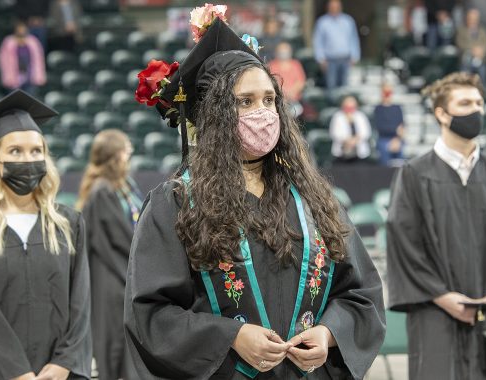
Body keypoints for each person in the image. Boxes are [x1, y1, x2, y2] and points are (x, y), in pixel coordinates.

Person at [124, 7, 385, 379]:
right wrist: (230, 335)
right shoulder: (176, 203)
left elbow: (362, 294)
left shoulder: (311, 198)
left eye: (268, 100)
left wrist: (329, 334)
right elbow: (150, 313)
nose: (262, 113)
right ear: (215, 116)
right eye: (245, 102)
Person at [386, 72, 486, 380]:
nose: (476, 110)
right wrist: (442, 296)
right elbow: (404, 244)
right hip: (435, 312)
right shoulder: (414, 174)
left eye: (479, 103)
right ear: (441, 113)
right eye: (465, 103)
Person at [0, 90, 91, 379]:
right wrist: (17, 371)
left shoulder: (68, 222)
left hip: (59, 374)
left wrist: (65, 362)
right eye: (15, 151)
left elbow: (81, 302)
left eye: (36, 150)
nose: (28, 159)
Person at [76, 129, 142, 380]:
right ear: (114, 157)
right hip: (111, 278)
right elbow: (116, 239)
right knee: (113, 343)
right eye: (126, 151)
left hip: (125, 272)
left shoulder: (124, 185)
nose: (129, 157)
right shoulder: (101, 191)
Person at [313, 0, 361, 91]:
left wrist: (355, 56)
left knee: (345, 87)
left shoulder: (348, 21)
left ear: (340, 7)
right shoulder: (322, 22)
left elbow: (354, 39)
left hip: (346, 59)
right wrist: (320, 59)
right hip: (330, 60)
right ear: (328, 7)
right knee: (331, 88)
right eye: (332, 6)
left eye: (336, 6)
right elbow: (318, 42)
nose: (334, 8)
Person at [0, 21, 46, 96]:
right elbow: (3, 61)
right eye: (19, 29)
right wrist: (7, 77)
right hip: (14, 76)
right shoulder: (9, 42)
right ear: (15, 30)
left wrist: (40, 76)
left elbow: (39, 59)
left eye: (23, 29)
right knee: (14, 100)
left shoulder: (33, 41)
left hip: (30, 75)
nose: (21, 31)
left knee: (30, 100)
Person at [268, 42, 306, 117]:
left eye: (286, 50)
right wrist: (284, 93)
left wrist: (292, 92)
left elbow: (301, 81)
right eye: (281, 51)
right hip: (279, 100)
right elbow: (272, 82)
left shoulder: (296, 64)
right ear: (276, 52)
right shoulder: (271, 65)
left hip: (295, 100)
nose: (284, 53)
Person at [329, 95, 372, 163]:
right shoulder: (338, 117)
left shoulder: (361, 116)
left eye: (352, 107)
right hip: (342, 153)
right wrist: (347, 140)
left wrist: (355, 140)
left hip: (359, 153)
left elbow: (366, 133)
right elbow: (334, 133)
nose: (349, 109)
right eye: (347, 107)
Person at [373, 83, 405, 166]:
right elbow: (380, 127)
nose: (387, 95)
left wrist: (397, 139)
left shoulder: (397, 108)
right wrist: (395, 130)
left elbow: (402, 126)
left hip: (397, 139)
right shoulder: (378, 109)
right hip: (383, 138)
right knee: (383, 149)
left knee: (400, 154)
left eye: (389, 93)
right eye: (385, 93)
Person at [456, 8, 486, 82]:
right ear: (467, 19)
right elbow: (460, 44)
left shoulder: (483, 31)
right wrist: (473, 50)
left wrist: (481, 51)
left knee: (483, 71)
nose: (472, 21)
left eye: (475, 19)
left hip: (480, 60)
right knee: (465, 73)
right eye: (470, 18)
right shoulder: (461, 30)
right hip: (466, 61)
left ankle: (482, 92)